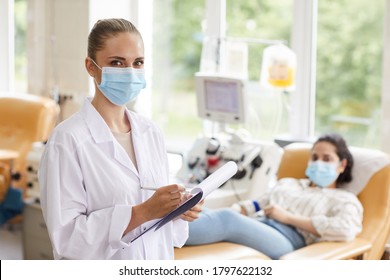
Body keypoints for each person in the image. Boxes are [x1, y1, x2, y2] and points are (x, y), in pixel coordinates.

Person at [38, 18, 202, 260]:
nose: (130, 72)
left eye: (138, 63)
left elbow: (161, 229)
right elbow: (68, 239)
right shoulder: (68, 140)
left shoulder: (150, 132)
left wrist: (175, 210)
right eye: (117, 63)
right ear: (91, 67)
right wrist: (142, 212)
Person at [186, 133, 363, 259]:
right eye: (314, 157)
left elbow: (345, 230)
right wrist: (239, 208)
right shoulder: (289, 183)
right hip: (260, 223)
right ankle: (163, 222)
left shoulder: (344, 199)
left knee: (227, 219)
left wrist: (287, 217)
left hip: (290, 240)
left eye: (327, 159)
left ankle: (163, 235)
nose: (318, 163)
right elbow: (258, 204)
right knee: (203, 211)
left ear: (342, 165)